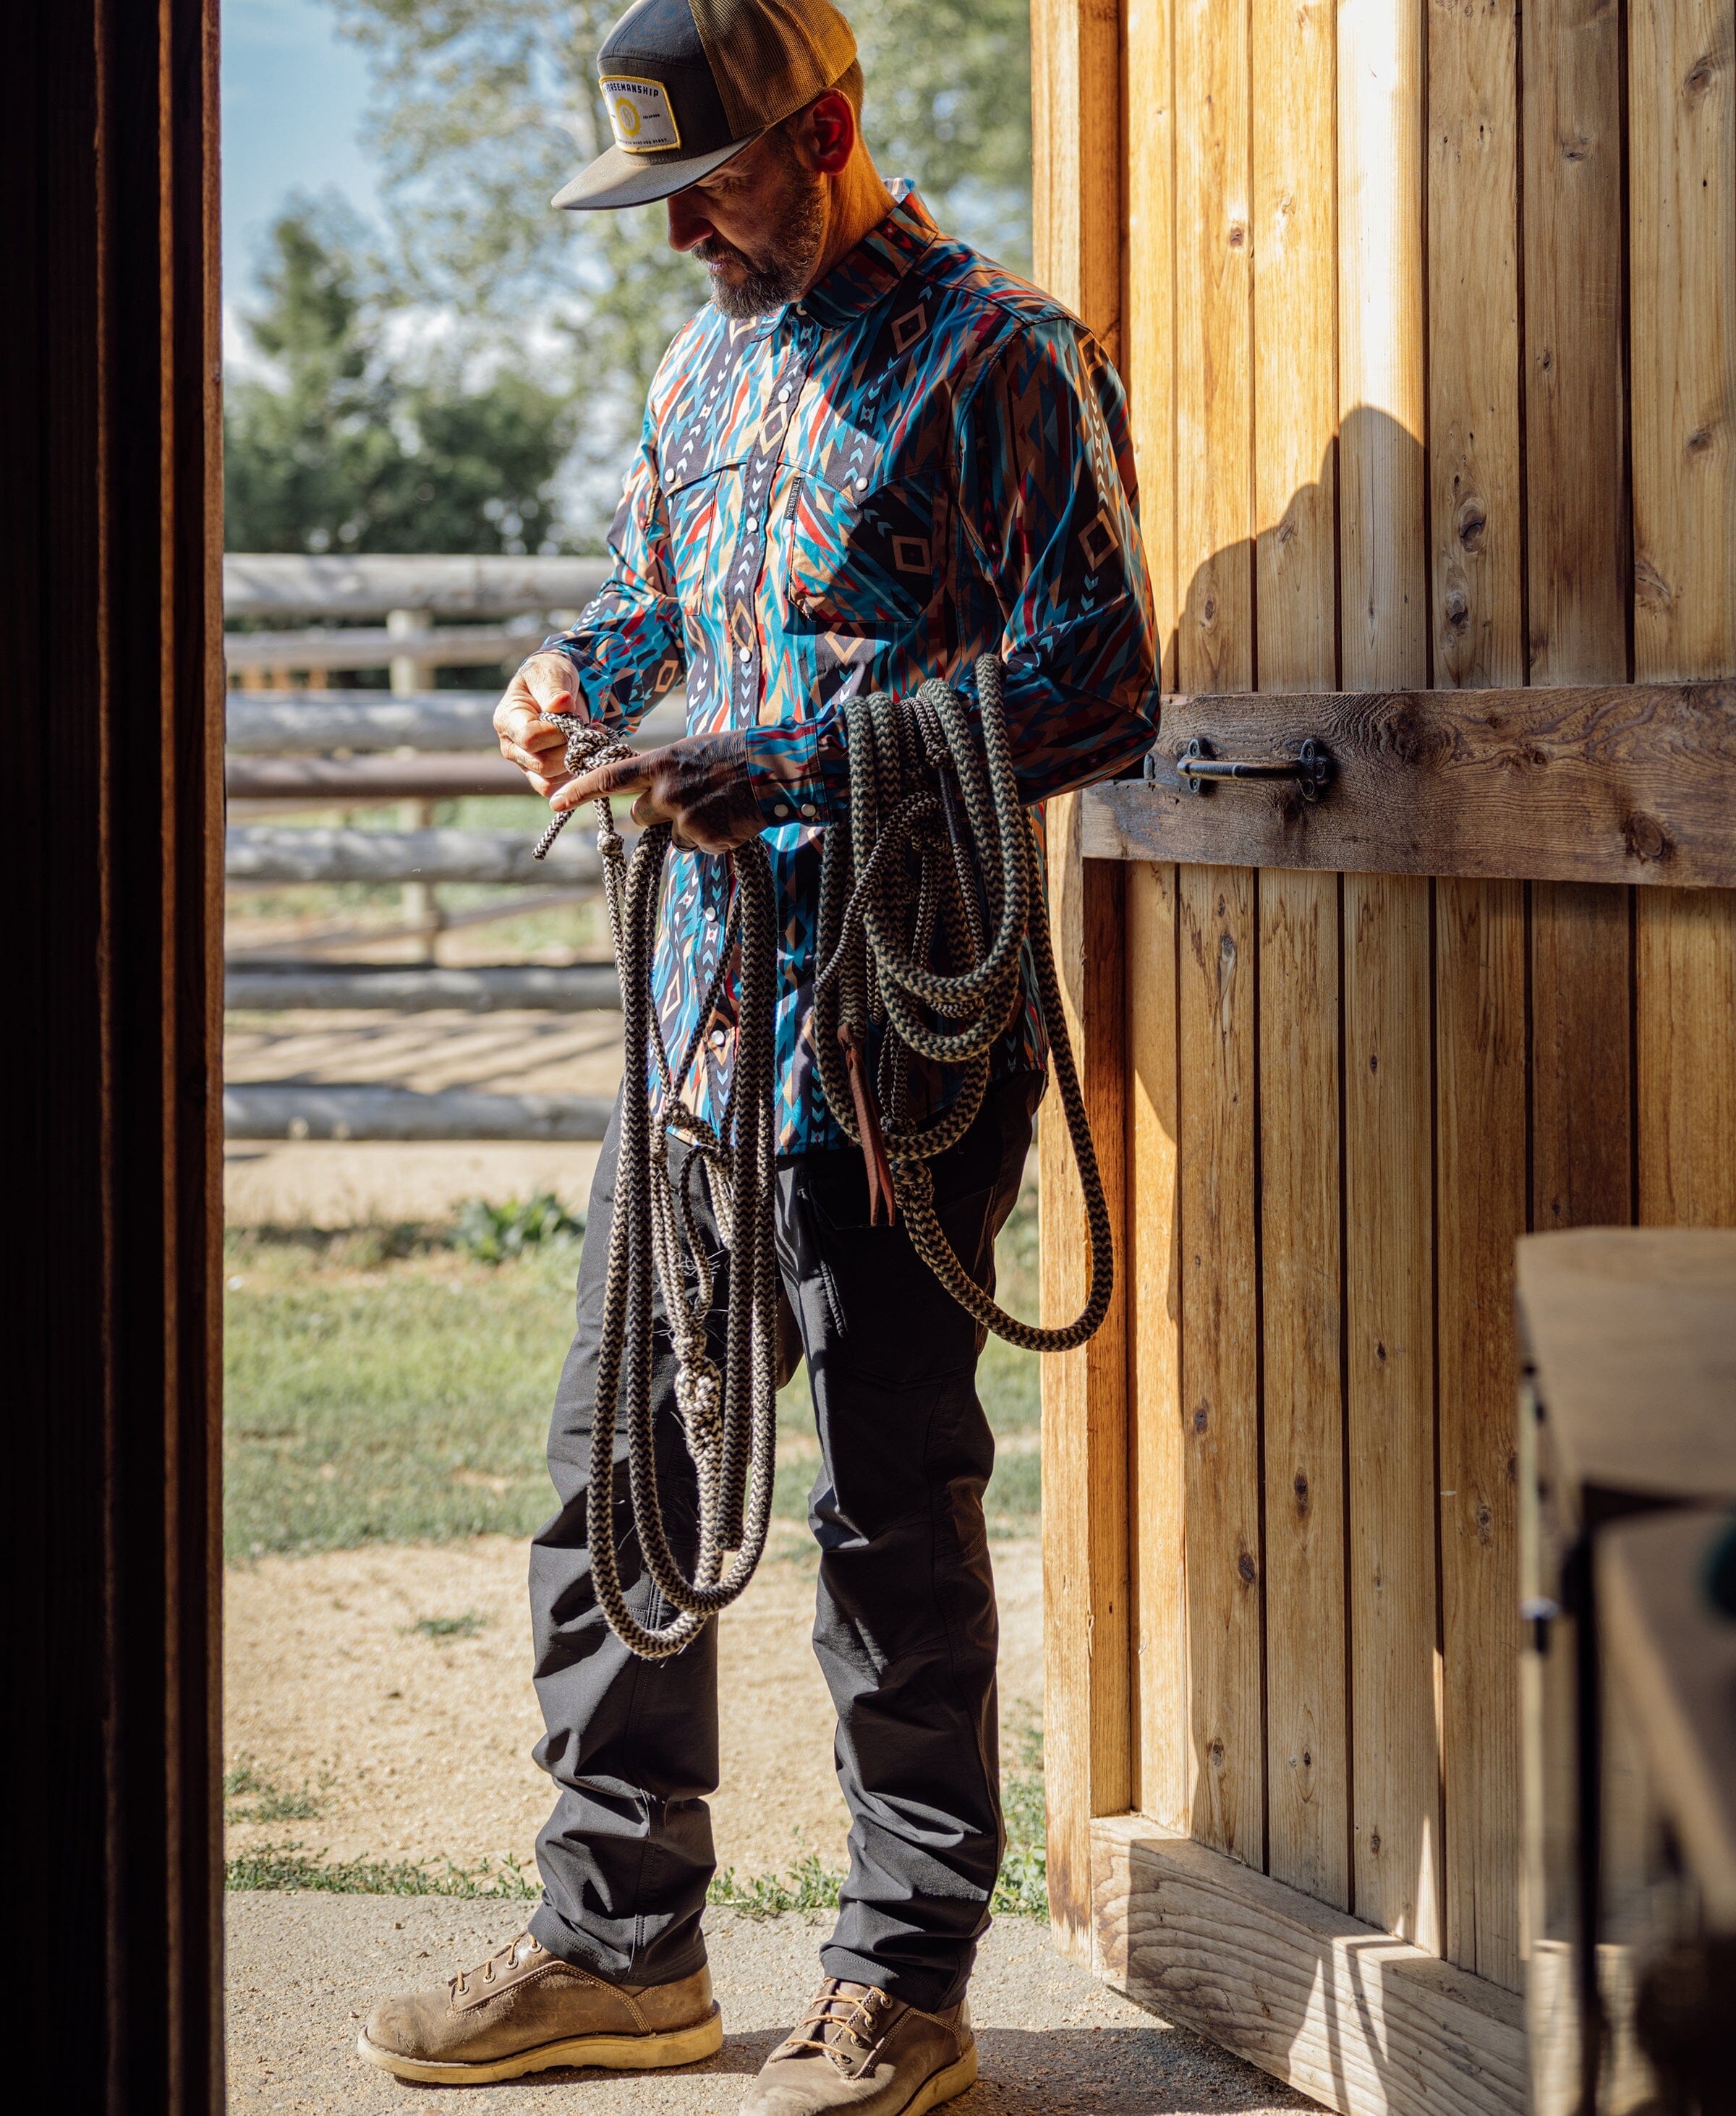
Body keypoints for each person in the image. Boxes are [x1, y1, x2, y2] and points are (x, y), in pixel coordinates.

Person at [359, 0, 1158, 2107]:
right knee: (617, 1482)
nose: (677, 233)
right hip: (699, 1044)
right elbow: (658, 608)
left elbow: (1103, 689)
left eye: (704, 183)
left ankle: (907, 1977)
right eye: (657, 194)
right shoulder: (706, 362)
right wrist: (570, 674)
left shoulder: (1007, 360)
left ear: (829, 129)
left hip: (896, 1049)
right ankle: (617, 1949)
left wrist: (783, 760)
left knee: (892, 1510)